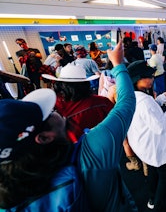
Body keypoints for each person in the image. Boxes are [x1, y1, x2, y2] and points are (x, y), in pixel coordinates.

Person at [0, 40, 139, 211]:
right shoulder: (94, 148)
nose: (54, 110)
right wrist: (118, 64)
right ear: (44, 137)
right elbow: (126, 103)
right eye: (49, 113)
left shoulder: (9, 198)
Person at [126, 60, 166, 212]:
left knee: (151, 171)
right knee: (165, 176)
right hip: (154, 148)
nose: (152, 79)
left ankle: (152, 199)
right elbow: (161, 126)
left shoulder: (131, 96)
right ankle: (159, 207)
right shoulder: (146, 101)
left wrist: (163, 97)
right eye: (148, 76)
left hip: (142, 146)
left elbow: (148, 112)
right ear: (137, 79)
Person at [42, 63, 114, 143]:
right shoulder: (102, 102)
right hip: (105, 145)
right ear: (86, 84)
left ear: (60, 85)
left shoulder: (54, 106)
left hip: (72, 151)